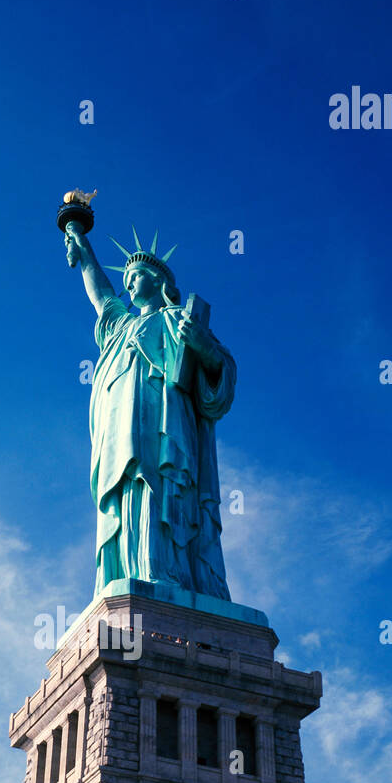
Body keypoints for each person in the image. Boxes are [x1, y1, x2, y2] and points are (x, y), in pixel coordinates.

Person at [64, 222, 235, 601]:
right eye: (126, 276)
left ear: (158, 281)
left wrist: (203, 346)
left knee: (161, 486)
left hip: (166, 425)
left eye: (136, 275)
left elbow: (218, 379)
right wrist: (83, 249)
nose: (129, 283)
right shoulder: (120, 326)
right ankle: (129, 571)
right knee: (128, 491)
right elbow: (102, 296)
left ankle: (165, 573)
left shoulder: (178, 320)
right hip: (120, 429)